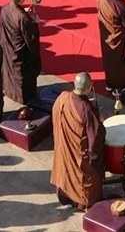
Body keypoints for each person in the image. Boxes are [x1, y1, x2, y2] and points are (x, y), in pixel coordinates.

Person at [50, 72, 104, 210]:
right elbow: (96, 136)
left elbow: (56, 119)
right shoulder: (86, 109)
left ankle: (66, 196)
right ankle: (83, 201)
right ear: (89, 88)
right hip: (79, 157)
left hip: (63, 150)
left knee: (66, 169)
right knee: (92, 170)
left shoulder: (62, 98)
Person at [0, 0, 41, 105]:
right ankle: (24, 98)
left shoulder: (5, 8)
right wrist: (34, 21)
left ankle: (10, 91)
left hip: (9, 48)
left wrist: (25, 14)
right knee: (23, 76)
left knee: (10, 73)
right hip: (20, 54)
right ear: (21, 0)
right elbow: (31, 38)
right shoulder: (23, 18)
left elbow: (2, 28)